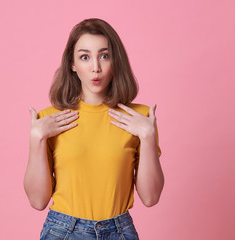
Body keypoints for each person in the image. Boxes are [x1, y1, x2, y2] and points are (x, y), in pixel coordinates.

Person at [24, 18, 164, 240]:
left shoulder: (139, 118)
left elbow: (151, 197)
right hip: (63, 231)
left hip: (119, 231)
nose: (95, 67)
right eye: (85, 57)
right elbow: (37, 201)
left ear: (115, 61)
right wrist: (36, 138)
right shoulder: (49, 119)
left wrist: (147, 136)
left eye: (104, 56)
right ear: (72, 64)